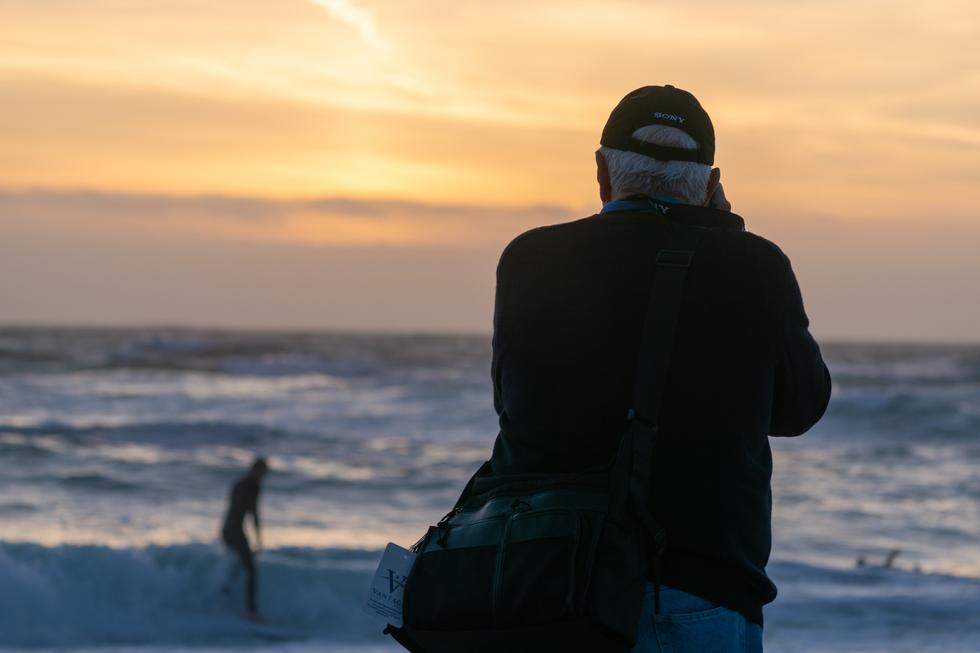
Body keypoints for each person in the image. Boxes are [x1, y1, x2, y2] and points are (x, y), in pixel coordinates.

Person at [489, 85, 831, 652]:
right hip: (697, 584)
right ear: (713, 183)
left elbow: (515, 405)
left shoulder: (530, 259)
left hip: (544, 579)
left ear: (602, 172)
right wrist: (726, 235)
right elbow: (799, 408)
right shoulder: (755, 267)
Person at [222, 457, 268, 622]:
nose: (264, 476)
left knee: (241, 565)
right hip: (235, 531)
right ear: (258, 470)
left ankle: (225, 593)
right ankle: (252, 611)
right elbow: (253, 513)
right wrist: (258, 539)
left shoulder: (238, 483)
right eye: (264, 472)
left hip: (226, 530)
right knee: (251, 569)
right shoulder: (253, 486)